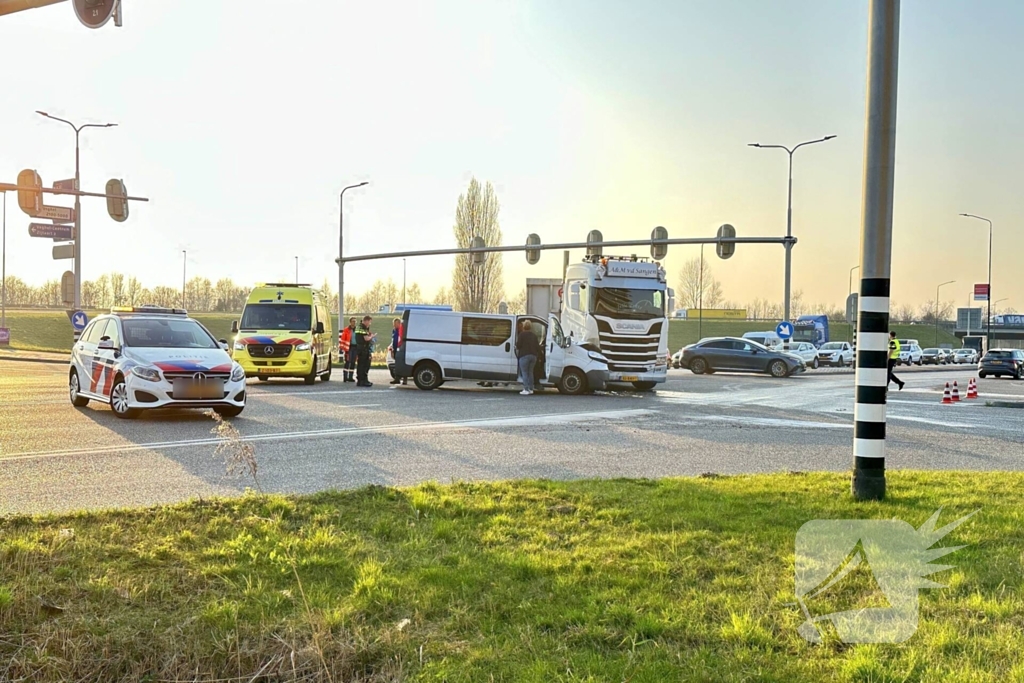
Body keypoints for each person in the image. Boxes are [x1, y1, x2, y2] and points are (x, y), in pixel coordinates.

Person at [516, 319, 541, 396]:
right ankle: (531, 389)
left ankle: (526, 389)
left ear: (524, 326)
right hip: (533, 356)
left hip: (524, 355)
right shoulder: (534, 335)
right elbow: (537, 347)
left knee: (524, 372)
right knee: (530, 372)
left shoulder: (521, 335)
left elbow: (518, 345)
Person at [354, 315, 377, 387]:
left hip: (362, 349)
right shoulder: (362, 327)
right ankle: (362, 380)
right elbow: (366, 338)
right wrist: (372, 336)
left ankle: (362, 380)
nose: (370, 323)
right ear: (366, 321)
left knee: (362, 365)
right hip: (363, 349)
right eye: (369, 322)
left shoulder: (361, 327)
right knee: (364, 365)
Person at [389, 318, 407, 385]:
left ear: (399, 323)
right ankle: (397, 378)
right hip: (395, 348)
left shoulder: (402, 330)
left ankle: (405, 379)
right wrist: (392, 349)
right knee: (397, 364)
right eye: (393, 324)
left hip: (401, 348)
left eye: (395, 324)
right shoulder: (394, 330)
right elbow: (393, 340)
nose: (394, 325)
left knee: (402, 364)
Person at [339, 317, 357, 382]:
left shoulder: (357, 330)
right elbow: (343, 339)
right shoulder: (346, 330)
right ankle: (345, 377)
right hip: (349, 348)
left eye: (355, 321)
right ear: (350, 322)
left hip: (355, 348)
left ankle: (350, 377)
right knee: (347, 362)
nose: (354, 323)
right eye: (353, 321)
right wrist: (342, 348)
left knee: (353, 362)